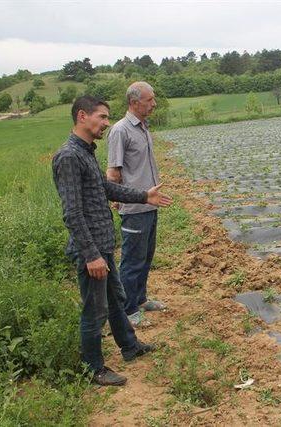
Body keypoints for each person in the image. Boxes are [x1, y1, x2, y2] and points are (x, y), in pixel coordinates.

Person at [52, 96, 172, 386]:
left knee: (115, 301)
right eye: (102, 117)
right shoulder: (69, 156)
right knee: (94, 311)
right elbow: (72, 213)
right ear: (82, 116)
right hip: (91, 250)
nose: (107, 123)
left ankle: (130, 346)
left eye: (107, 118)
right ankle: (94, 369)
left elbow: (105, 187)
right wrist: (91, 255)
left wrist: (144, 195)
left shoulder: (85, 152)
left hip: (102, 246)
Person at [107, 82, 165, 328]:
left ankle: (140, 300)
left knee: (145, 257)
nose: (154, 104)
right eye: (149, 100)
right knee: (131, 261)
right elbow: (113, 173)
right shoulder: (121, 131)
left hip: (149, 205)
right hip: (134, 208)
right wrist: (117, 199)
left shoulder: (142, 127)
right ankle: (128, 310)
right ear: (134, 102)